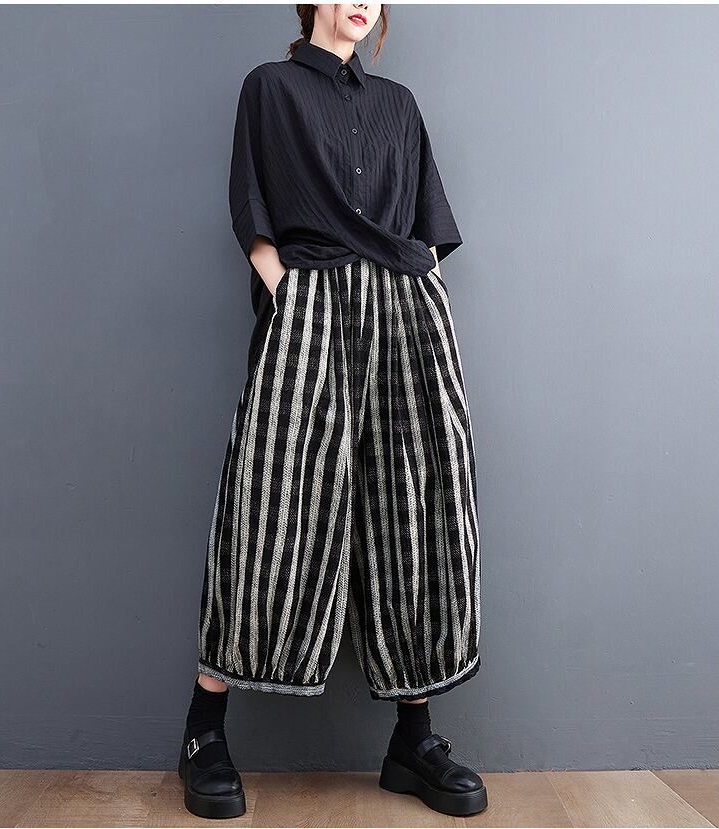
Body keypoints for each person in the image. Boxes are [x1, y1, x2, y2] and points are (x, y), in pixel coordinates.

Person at [178, 3, 486, 819]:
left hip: (405, 311)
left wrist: (425, 302)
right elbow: (253, 209)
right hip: (309, 305)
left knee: (414, 508)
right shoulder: (269, 88)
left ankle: (413, 740)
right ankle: (204, 730)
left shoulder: (399, 105)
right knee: (271, 505)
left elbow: (426, 224)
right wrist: (290, 295)